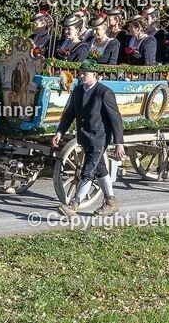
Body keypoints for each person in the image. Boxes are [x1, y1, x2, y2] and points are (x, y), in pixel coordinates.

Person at [52, 59, 125, 217]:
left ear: (94, 74)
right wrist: (60, 132)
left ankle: (73, 205)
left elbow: (115, 118)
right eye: (81, 73)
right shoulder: (78, 91)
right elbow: (69, 114)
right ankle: (111, 202)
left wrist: (119, 142)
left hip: (99, 138)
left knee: (88, 171)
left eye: (85, 73)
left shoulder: (104, 92)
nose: (82, 76)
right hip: (84, 138)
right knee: (100, 170)